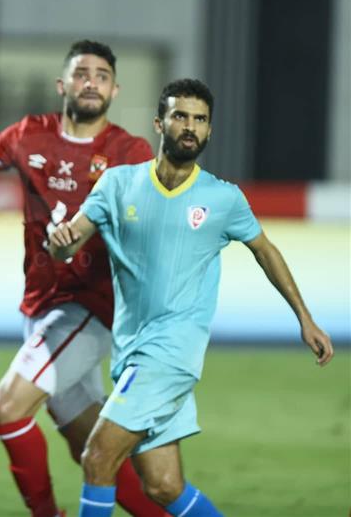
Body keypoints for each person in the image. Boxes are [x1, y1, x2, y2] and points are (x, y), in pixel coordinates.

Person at [47, 79, 334, 517]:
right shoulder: (118, 184)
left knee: (98, 457)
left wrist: (305, 318)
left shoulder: (222, 198)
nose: (190, 126)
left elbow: (265, 250)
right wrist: (58, 243)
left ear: (209, 130)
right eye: (180, 116)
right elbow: (68, 244)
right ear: (159, 123)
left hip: (171, 355)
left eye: (200, 120)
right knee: (163, 485)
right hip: (131, 352)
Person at [0, 41, 163, 517]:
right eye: (81, 73)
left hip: (91, 308)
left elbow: (152, 226)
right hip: (42, 307)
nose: (91, 82)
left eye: (102, 75)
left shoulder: (131, 152)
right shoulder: (28, 134)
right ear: (62, 84)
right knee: (95, 452)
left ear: (115, 90)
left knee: (8, 406)